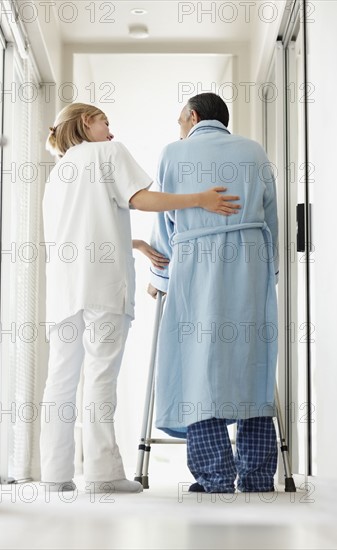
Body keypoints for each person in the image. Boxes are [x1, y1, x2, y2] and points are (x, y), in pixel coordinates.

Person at [40, 102, 240, 494]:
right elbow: (141, 199)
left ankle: (54, 475)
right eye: (105, 122)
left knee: (60, 381)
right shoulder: (108, 152)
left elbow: (76, 229)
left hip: (64, 288)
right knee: (100, 376)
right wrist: (199, 199)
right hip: (102, 287)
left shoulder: (58, 172)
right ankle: (102, 475)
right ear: (86, 122)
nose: (111, 132)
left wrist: (133, 242)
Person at [148, 93, 279, 493]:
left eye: (180, 119)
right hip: (250, 261)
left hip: (195, 264)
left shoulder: (174, 152)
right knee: (252, 363)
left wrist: (161, 278)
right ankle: (257, 476)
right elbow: (270, 213)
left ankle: (215, 476)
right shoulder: (254, 151)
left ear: (192, 116)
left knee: (197, 366)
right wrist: (267, 271)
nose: (180, 127)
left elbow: (165, 220)